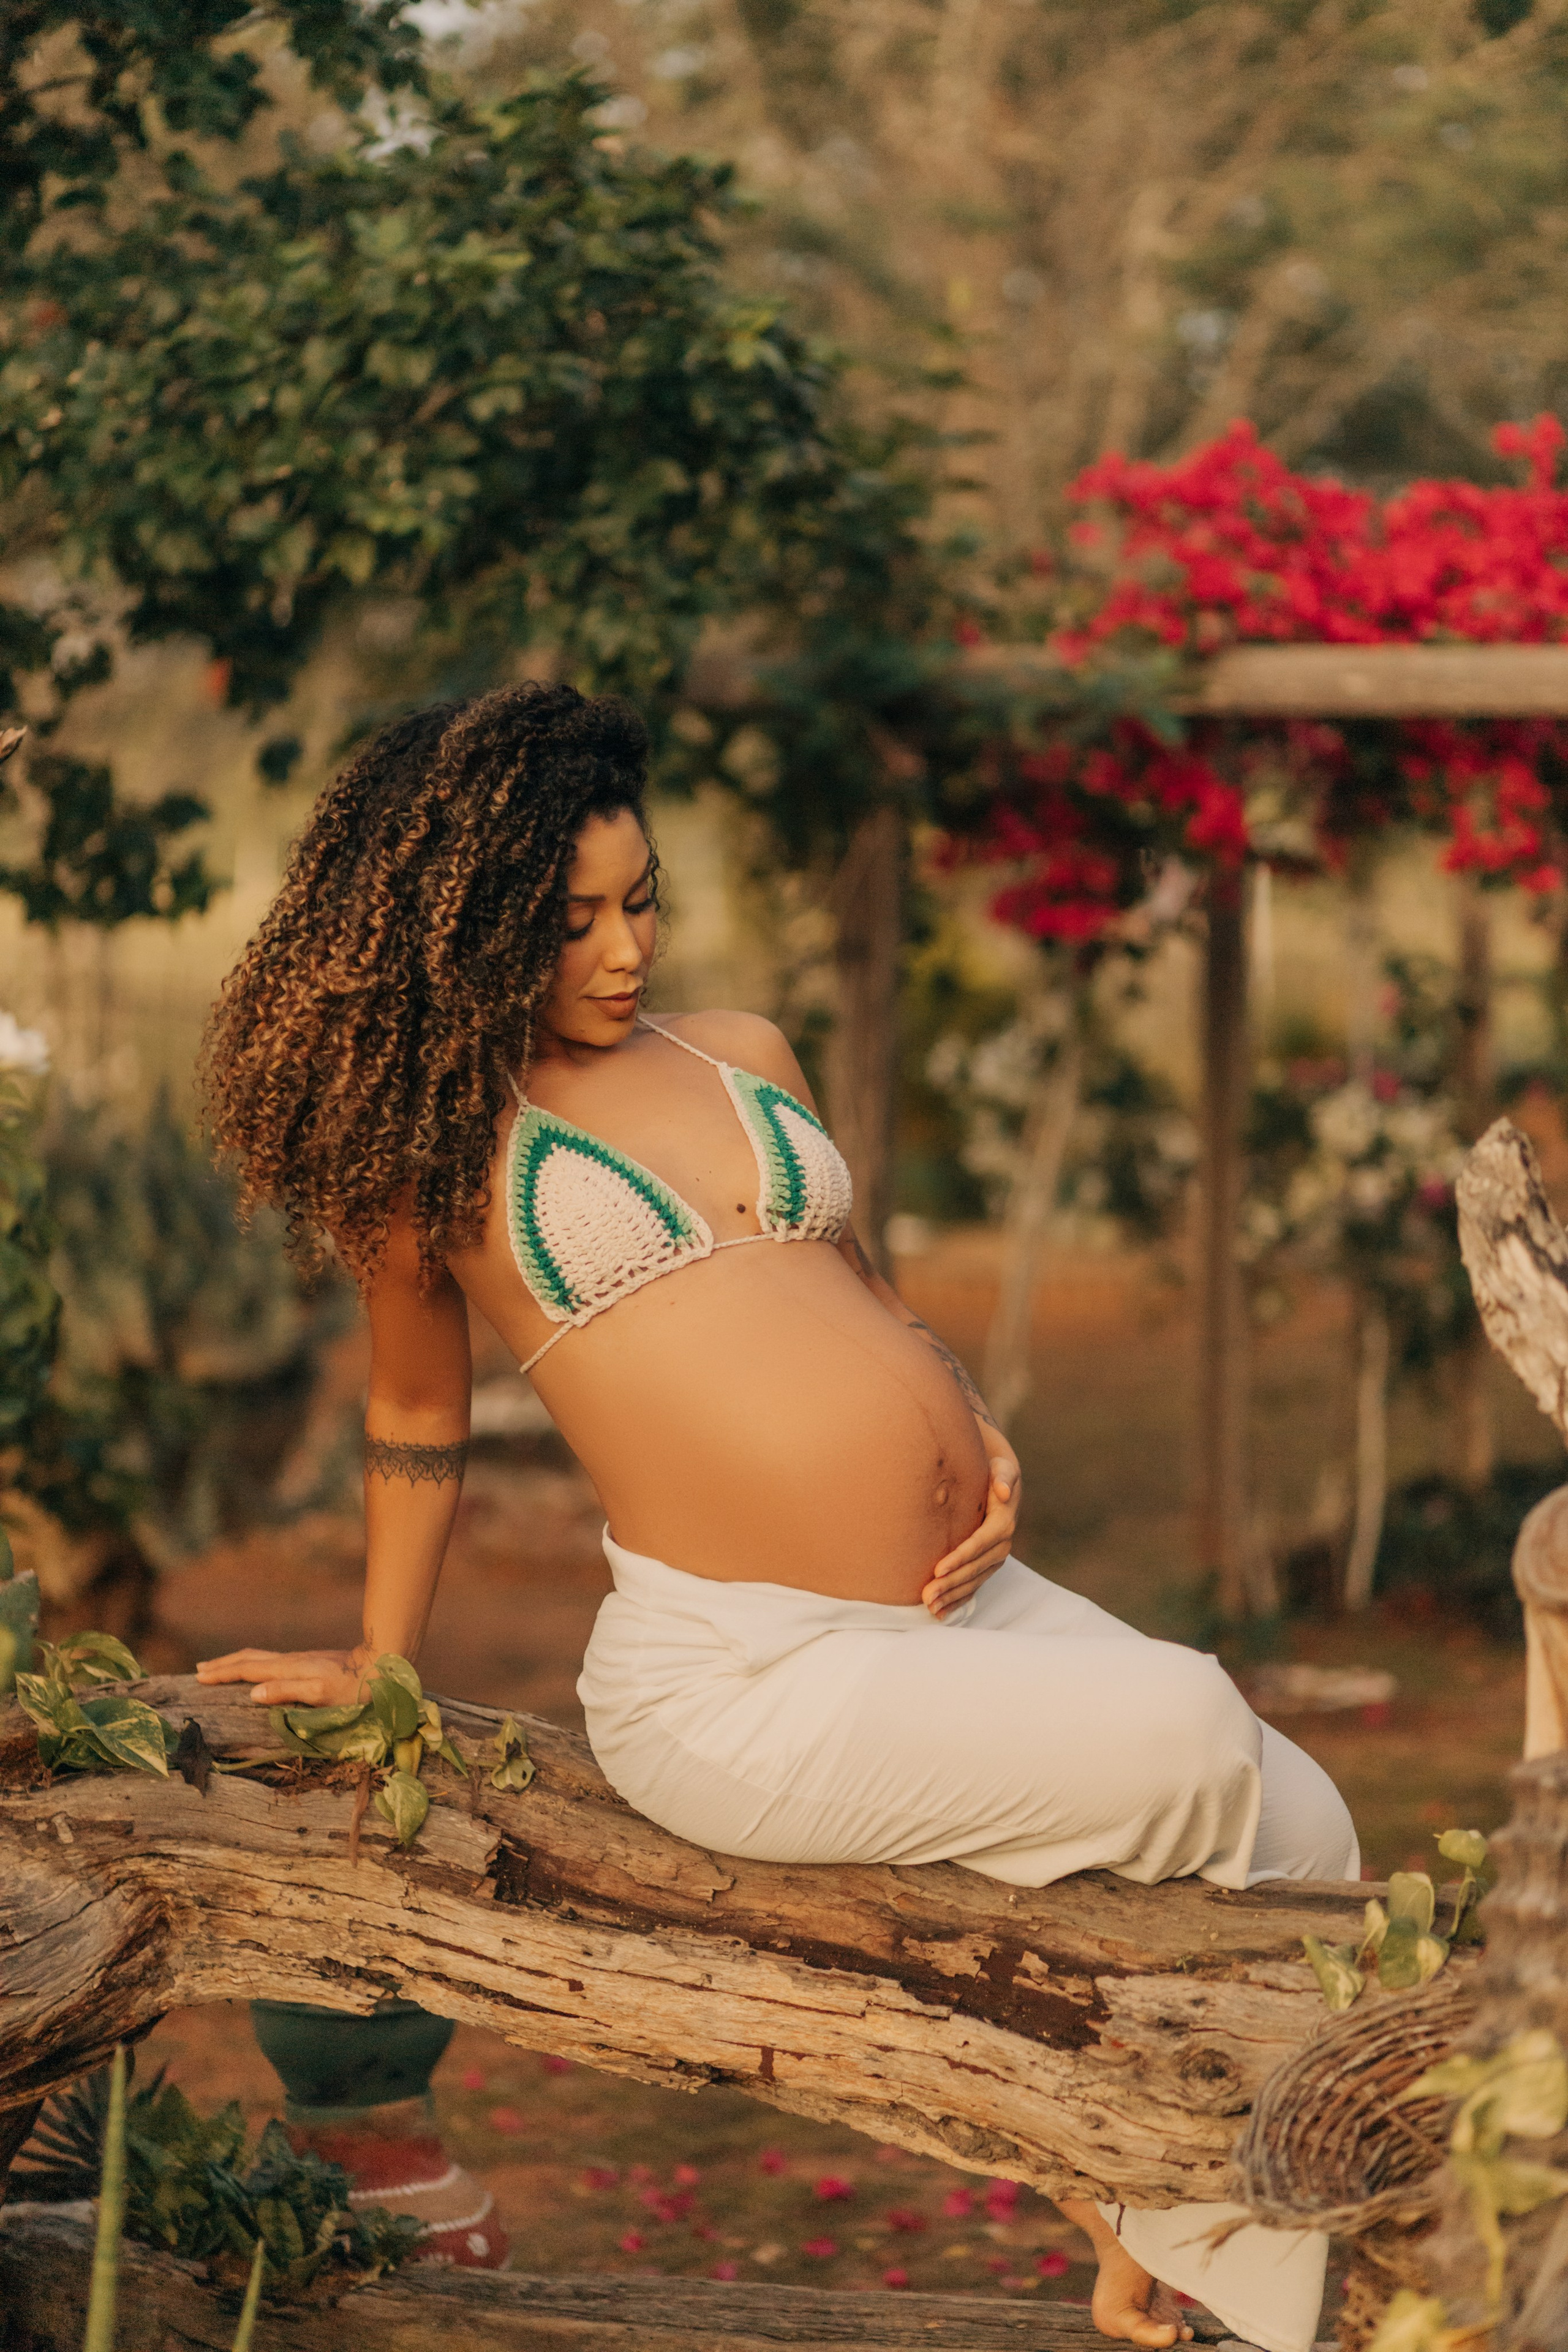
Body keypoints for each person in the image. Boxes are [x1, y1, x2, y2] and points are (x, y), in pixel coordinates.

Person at [198, 682, 1357, 2352]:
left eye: (642, 901)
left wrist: (971, 1419)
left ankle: (1197, 2249)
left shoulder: (743, 1056)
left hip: (955, 1602)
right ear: (463, 925)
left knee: (1312, 1824)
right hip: (742, 1675)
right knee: (1190, 1724)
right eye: (573, 918)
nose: (623, 950)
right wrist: (383, 1659)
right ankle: (1190, 2242)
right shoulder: (438, 1147)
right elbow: (414, 1412)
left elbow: (858, 1292)